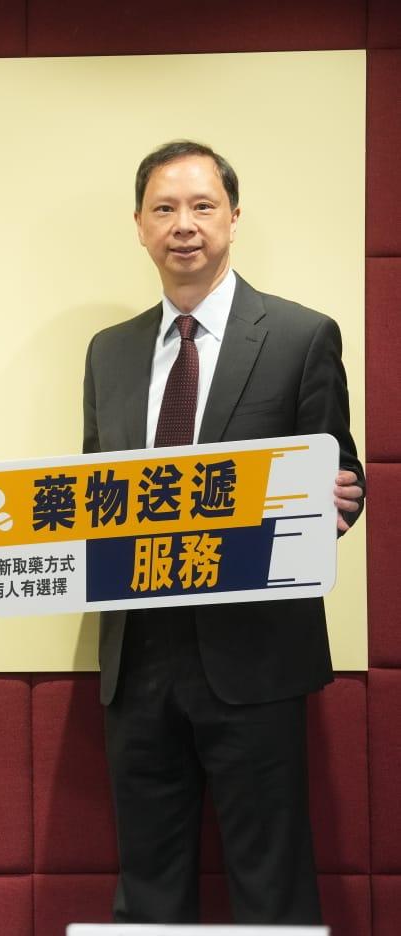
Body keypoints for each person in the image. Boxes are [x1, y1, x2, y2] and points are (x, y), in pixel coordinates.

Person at [82, 140, 364, 923]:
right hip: (138, 659)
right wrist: (11, 566)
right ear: (139, 226)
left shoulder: (302, 336)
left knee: (271, 885)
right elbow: (91, 497)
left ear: (233, 218)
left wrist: (339, 500)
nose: (184, 225)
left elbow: (339, 473)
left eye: (202, 206)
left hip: (256, 657)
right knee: (148, 890)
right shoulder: (109, 353)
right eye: (164, 208)